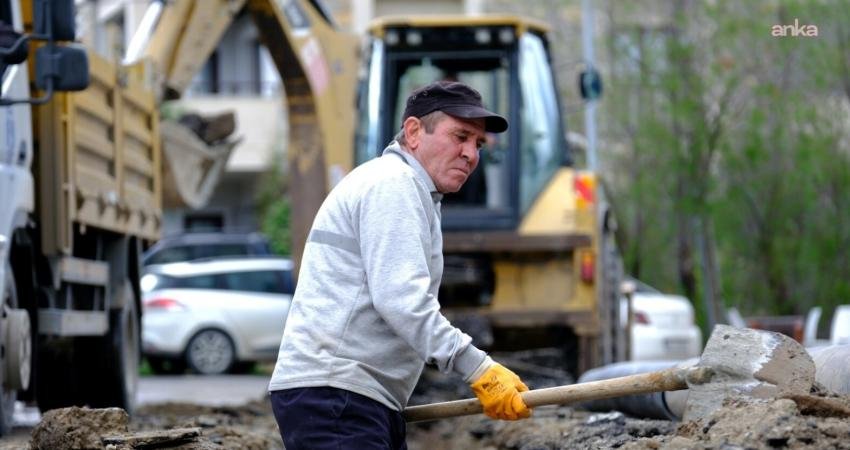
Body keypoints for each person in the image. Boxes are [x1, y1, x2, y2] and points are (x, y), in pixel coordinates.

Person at [268, 81, 532, 449]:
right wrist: (479, 368)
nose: (471, 154)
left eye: (478, 144)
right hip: (337, 394)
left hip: (354, 396)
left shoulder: (413, 192)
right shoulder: (394, 184)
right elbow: (401, 300)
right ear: (413, 132)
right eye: (460, 136)